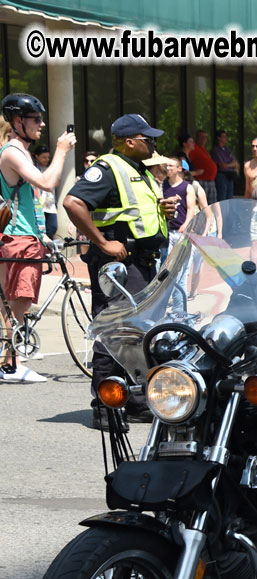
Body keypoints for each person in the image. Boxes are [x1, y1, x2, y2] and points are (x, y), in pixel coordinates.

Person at [64, 114, 177, 421]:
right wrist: (102, 243)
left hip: (141, 262)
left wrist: (162, 209)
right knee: (113, 332)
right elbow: (73, 203)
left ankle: (135, 400)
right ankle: (105, 406)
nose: (153, 143)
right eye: (147, 138)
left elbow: (130, 213)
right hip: (118, 265)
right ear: (130, 142)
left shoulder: (138, 170)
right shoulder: (108, 168)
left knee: (138, 334)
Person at [0, 95, 74, 383]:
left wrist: (42, 233)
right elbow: (46, 183)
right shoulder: (12, 152)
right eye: (36, 119)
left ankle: (11, 360)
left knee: (17, 303)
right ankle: (11, 365)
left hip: (26, 236)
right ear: (18, 121)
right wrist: (62, 150)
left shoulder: (20, 152)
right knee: (19, 303)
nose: (42, 124)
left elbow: (30, 199)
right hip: (18, 238)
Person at [180, 132, 217, 204]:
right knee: (202, 204)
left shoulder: (189, 155)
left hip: (207, 180)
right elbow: (183, 172)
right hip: (193, 183)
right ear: (184, 144)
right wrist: (197, 173)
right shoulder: (182, 157)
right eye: (191, 142)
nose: (193, 143)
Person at [210, 129, 238, 201]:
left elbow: (234, 162)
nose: (226, 138)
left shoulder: (227, 149)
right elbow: (222, 165)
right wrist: (230, 164)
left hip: (229, 175)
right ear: (219, 138)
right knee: (222, 196)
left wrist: (228, 165)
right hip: (221, 175)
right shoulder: (215, 150)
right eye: (224, 136)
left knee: (230, 197)